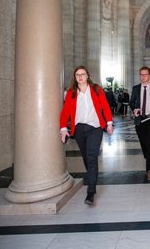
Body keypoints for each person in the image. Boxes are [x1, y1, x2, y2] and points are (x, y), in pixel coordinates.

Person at [60, 66, 114, 205]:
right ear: (75, 77)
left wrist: (109, 123)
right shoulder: (71, 92)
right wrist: (63, 128)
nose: (80, 77)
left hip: (94, 128)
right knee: (86, 157)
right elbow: (65, 111)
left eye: (82, 74)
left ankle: (91, 192)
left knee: (91, 157)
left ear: (87, 76)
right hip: (79, 130)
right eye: (77, 74)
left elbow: (105, 106)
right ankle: (92, 179)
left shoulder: (96, 89)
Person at [129, 66, 150, 181]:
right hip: (140, 120)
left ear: (149, 75)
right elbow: (131, 102)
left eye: (145, 74)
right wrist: (134, 109)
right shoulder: (136, 88)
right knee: (143, 144)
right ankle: (148, 157)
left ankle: (149, 170)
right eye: (141, 74)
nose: (143, 77)